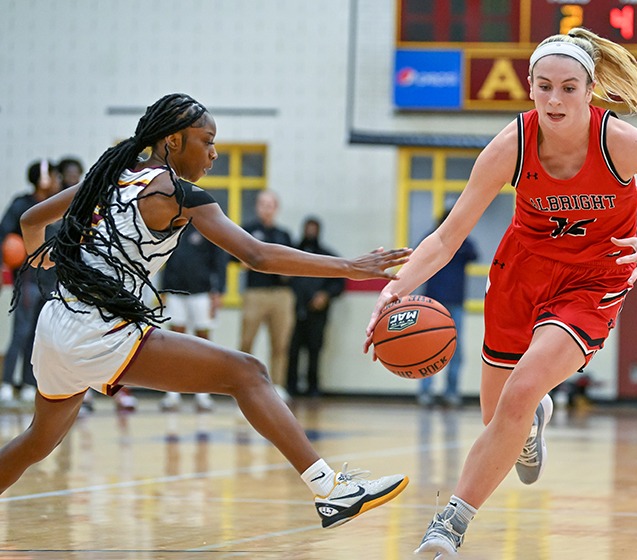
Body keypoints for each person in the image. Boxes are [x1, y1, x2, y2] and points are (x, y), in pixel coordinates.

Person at [365, 28, 637, 558]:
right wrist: (395, 287)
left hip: (591, 282)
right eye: (545, 86)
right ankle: (528, 428)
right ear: (529, 87)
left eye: (569, 88)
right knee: (498, 417)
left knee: (523, 388)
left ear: (591, 90)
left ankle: (449, 525)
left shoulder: (623, 143)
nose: (555, 99)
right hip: (520, 274)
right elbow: (446, 237)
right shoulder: (511, 144)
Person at [0, 93, 411, 530]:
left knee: (38, 441)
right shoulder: (177, 195)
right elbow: (257, 255)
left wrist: (45, 262)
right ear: (174, 141)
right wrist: (348, 266)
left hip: (56, 323)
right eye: (207, 141)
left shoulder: (109, 175)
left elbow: (31, 221)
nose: (214, 153)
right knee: (248, 373)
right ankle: (331, 490)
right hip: (98, 331)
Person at [0, 159, 60, 405]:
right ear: (43, 179)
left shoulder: (57, 206)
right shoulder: (21, 204)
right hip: (27, 279)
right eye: (53, 176)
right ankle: (6, 383)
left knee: (38, 334)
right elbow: (4, 235)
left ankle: (27, 383)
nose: (56, 181)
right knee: (21, 332)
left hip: (51, 281)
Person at [158, 222, 227, 411]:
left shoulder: (207, 226)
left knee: (204, 343)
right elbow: (165, 259)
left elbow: (220, 260)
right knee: (174, 344)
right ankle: (172, 395)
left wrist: (219, 291)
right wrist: (162, 290)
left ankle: (203, 395)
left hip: (202, 293)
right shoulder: (173, 227)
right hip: (175, 292)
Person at [417, 209, 478, 408]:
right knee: (427, 347)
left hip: (456, 302)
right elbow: (417, 258)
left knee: (455, 349)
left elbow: (475, 255)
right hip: (432, 302)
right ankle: (425, 392)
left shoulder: (464, 242)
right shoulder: (431, 238)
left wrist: (459, 237)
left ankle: (451, 392)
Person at [239, 190, 295, 402]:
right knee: (247, 340)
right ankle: (242, 383)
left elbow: (291, 263)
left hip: (281, 294)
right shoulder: (248, 231)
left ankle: (278, 385)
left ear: (276, 208)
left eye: (270, 204)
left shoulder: (284, 235)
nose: (266, 208)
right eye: (262, 204)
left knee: (280, 343)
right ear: (257, 206)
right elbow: (236, 258)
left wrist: (285, 270)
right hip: (255, 293)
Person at [286, 217, 343, 397]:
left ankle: (313, 387)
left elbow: (339, 283)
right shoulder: (291, 254)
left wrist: (326, 295)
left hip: (317, 312)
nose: (310, 232)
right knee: (292, 349)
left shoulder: (327, 256)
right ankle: (290, 386)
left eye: (314, 229)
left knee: (314, 349)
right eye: (308, 229)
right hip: (293, 310)